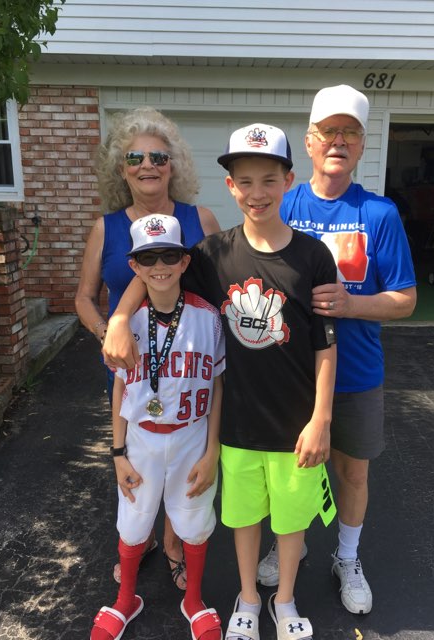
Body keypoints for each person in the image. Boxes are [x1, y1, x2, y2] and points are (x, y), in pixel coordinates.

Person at [103, 123, 338, 640]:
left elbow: (326, 344)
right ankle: (248, 598)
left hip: (296, 421)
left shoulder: (314, 255)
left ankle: (285, 600)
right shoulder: (212, 255)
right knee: (244, 516)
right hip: (236, 424)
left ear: (289, 181)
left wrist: (322, 418)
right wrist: (119, 318)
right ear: (230, 186)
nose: (257, 192)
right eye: (245, 181)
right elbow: (156, 275)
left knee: (291, 520)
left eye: (269, 179)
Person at [257, 85, 417, 615]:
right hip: (289, 374)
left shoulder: (380, 214)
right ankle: (291, 545)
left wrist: (351, 305)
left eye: (350, 132)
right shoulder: (283, 204)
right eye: (329, 131)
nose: (338, 141)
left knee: (352, 474)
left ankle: (347, 557)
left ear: (362, 144)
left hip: (356, 374)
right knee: (290, 472)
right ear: (309, 141)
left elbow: (405, 300)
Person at [75, 107, 220, 588]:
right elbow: (83, 297)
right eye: (135, 157)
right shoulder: (106, 228)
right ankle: (143, 538)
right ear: (121, 169)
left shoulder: (199, 220)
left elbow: (220, 286)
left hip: (190, 366)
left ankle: (176, 541)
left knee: (184, 461)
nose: (147, 165)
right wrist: (109, 332)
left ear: (173, 165)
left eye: (158, 156)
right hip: (134, 366)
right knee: (137, 461)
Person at [90, 214, 225, 640]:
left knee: (195, 521)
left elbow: (218, 385)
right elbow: (119, 390)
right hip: (142, 437)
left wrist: (213, 450)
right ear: (134, 266)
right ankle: (125, 600)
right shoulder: (127, 323)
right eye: (148, 258)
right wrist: (117, 453)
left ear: (184, 261)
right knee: (133, 521)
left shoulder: (208, 317)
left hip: (191, 435)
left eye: (169, 255)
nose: (160, 266)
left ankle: (194, 601)